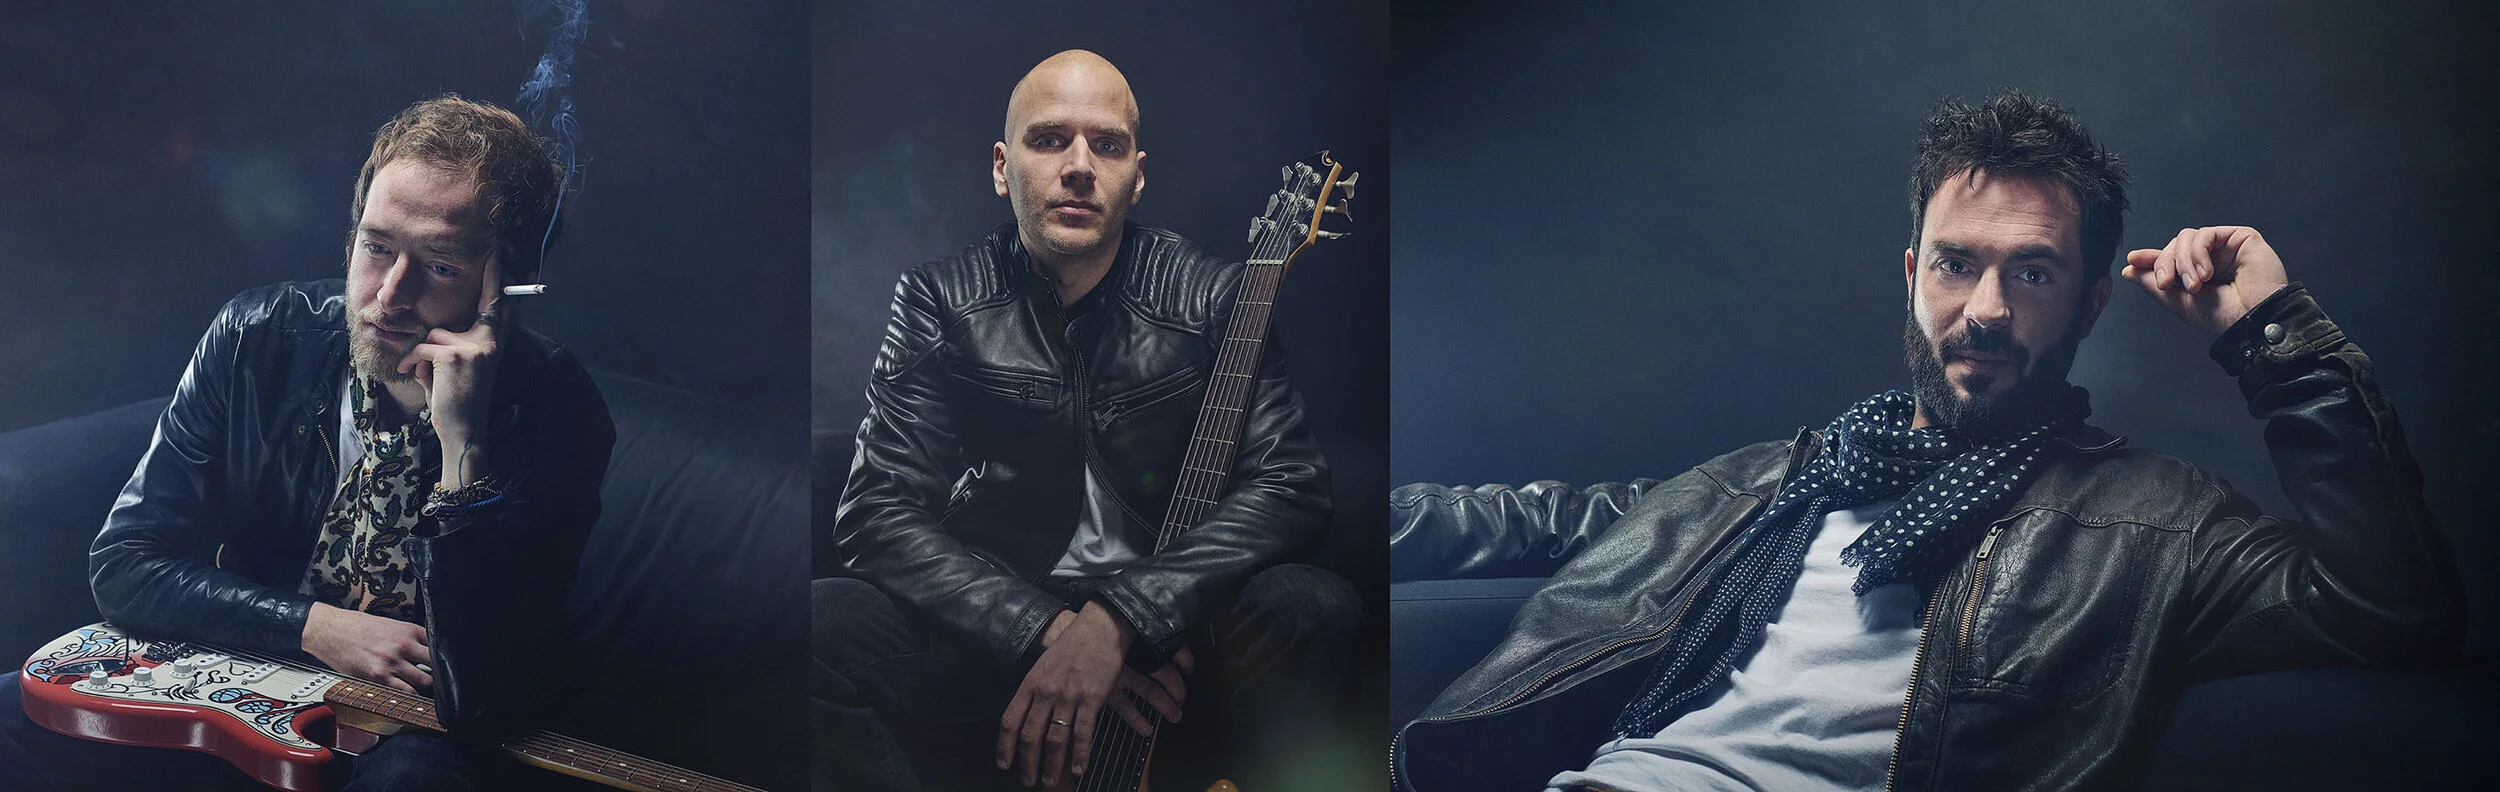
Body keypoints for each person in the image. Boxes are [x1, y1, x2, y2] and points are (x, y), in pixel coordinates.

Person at [1388, 91, 2462, 791]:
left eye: (2030, 271)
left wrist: (2277, 342)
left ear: (2091, 303)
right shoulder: (1786, 478)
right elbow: (1532, 520)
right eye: (1955, 264)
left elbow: (2388, 609)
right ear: (1911, 278)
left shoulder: (2150, 521)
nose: (1984, 307)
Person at [0, 95, 612, 791]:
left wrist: (462, 452)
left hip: (412, 728)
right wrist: (319, 626)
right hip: (246, 674)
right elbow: (125, 564)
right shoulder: (259, 335)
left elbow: (484, 692)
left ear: (507, 287)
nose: (388, 295)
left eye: (440, 267)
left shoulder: (560, 409)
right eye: (377, 246)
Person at [814, 49, 1362, 791]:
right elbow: (876, 510)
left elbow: (1292, 485)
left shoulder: (1214, 297)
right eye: (1049, 140)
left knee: (1314, 606)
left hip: (1172, 631)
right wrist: (1047, 632)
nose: (1079, 165)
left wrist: (1120, 620)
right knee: (816, 625)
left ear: (1138, 173)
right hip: (1000, 629)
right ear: (1004, 168)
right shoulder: (942, 299)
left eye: (1106, 144)